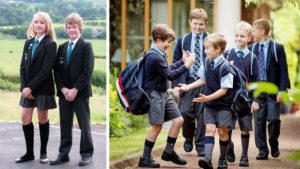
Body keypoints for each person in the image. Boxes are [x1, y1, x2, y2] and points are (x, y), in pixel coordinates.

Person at [138, 24, 195, 168]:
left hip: (164, 94)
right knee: (157, 126)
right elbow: (170, 75)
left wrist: (182, 61)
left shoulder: (159, 54)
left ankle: (169, 151)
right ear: (158, 39)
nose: (169, 45)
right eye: (167, 42)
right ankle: (145, 157)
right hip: (154, 95)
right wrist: (187, 65)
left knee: (178, 120)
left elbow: (167, 69)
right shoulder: (152, 56)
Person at [51, 13, 94, 166]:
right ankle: (63, 154)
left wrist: (75, 89)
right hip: (64, 94)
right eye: (69, 27)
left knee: (84, 125)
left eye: (74, 27)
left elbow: (87, 71)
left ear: (80, 28)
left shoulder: (86, 46)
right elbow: (56, 71)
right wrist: (62, 88)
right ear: (66, 29)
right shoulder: (61, 48)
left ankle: (86, 154)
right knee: (65, 124)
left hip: (80, 93)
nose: (71, 30)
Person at [16, 11, 57, 164]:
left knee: (42, 119)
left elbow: (46, 71)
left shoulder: (50, 44)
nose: (38, 25)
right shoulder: (28, 43)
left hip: (43, 88)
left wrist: (31, 88)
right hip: (27, 89)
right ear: (32, 25)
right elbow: (22, 67)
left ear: (47, 25)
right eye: (36, 22)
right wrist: (24, 87)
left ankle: (43, 152)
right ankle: (29, 153)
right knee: (25, 118)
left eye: (41, 22)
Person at [250, 18, 290, 160]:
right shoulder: (252, 48)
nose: (252, 33)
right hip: (257, 92)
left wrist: (282, 90)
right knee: (259, 121)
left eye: (254, 30)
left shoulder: (277, 48)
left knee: (273, 120)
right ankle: (262, 150)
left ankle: (273, 143)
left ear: (262, 32)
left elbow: (283, 70)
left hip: (273, 91)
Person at [193, 33, 234, 169]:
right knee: (209, 129)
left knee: (222, 131)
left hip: (223, 105)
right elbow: (202, 79)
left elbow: (224, 90)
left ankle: (222, 159)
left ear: (217, 49)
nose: (205, 51)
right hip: (209, 104)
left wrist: (207, 98)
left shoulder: (226, 67)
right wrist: (188, 86)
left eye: (208, 48)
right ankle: (208, 159)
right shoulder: (206, 61)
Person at [172, 8, 208, 157]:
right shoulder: (183, 40)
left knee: (203, 115)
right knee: (185, 111)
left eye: (201, 24)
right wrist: (174, 86)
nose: (198, 27)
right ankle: (188, 136)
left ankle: (200, 145)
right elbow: (175, 62)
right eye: (195, 23)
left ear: (205, 24)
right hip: (186, 81)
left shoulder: (210, 39)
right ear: (190, 22)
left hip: (205, 83)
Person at [224, 21, 259, 167]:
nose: (238, 38)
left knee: (245, 127)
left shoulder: (252, 58)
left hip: (245, 99)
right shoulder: (227, 55)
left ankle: (244, 156)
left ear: (249, 38)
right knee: (227, 127)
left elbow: (256, 81)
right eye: (237, 35)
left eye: (242, 36)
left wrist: (255, 100)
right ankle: (229, 146)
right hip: (229, 98)